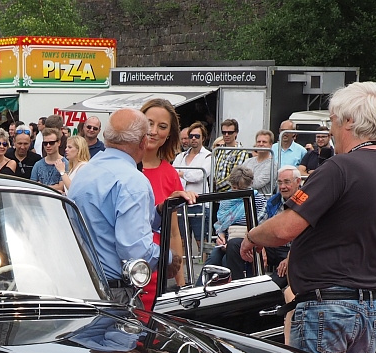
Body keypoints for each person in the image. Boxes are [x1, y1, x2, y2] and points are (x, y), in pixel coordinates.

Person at [240, 81, 376, 353]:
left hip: (328, 305)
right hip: (370, 304)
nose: (330, 130)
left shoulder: (338, 168)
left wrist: (252, 235)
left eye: (332, 121)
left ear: (348, 121)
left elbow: (284, 229)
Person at [67, 108, 171, 306]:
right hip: (114, 292)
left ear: (106, 137)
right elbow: (135, 252)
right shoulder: (132, 181)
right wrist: (169, 257)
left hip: (80, 285)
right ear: (142, 142)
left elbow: (105, 220)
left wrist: (158, 212)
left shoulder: (86, 171)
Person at [139, 98, 196, 305]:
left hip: (157, 271)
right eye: (149, 123)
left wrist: (181, 285)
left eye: (162, 127)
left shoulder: (170, 174)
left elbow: (173, 232)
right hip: (121, 274)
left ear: (169, 134)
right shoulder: (121, 166)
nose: (153, 131)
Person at [203, 165, 267, 280]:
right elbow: (221, 223)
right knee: (212, 260)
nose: (236, 191)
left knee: (226, 260)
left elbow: (260, 225)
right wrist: (221, 237)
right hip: (227, 238)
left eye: (240, 189)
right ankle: (200, 287)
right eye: (234, 188)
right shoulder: (227, 198)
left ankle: (235, 286)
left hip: (246, 239)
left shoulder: (258, 199)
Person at [263, 165, 302, 288]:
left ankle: (266, 290)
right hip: (272, 245)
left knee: (287, 268)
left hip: (294, 250)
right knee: (235, 245)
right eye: (280, 182)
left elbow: (308, 238)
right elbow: (259, 225)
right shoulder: (273, 201)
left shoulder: (307, 202)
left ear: (298, 182)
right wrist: (259, 245)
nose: (282, 186)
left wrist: (290, 257)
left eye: (286, 182)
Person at [210, 118, 247, 191]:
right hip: (215, 193)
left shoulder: (241, 151)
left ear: (236, 133)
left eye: (230, 132)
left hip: (230, 192)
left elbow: (235, 177)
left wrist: (216, 186)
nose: (226, 135)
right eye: (224, 132)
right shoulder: (218, 150)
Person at [30, 127, 69, 192]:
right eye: (45, 143)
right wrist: (55, 186)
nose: (48, 146)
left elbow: (61, 187)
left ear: (59, 143)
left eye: (51, 143)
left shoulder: (65, 164)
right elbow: (32, 187)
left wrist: (41, 186)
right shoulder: (38, 165)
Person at [239, 129, 277, 196]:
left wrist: (241, 182)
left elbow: (256, 184)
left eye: (264, 142)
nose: (261, 144)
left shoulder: (272, 165)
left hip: (261, 200)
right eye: (258, 142)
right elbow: (237, 178)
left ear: (271, 145)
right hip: (242, 198)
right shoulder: (248, 161)